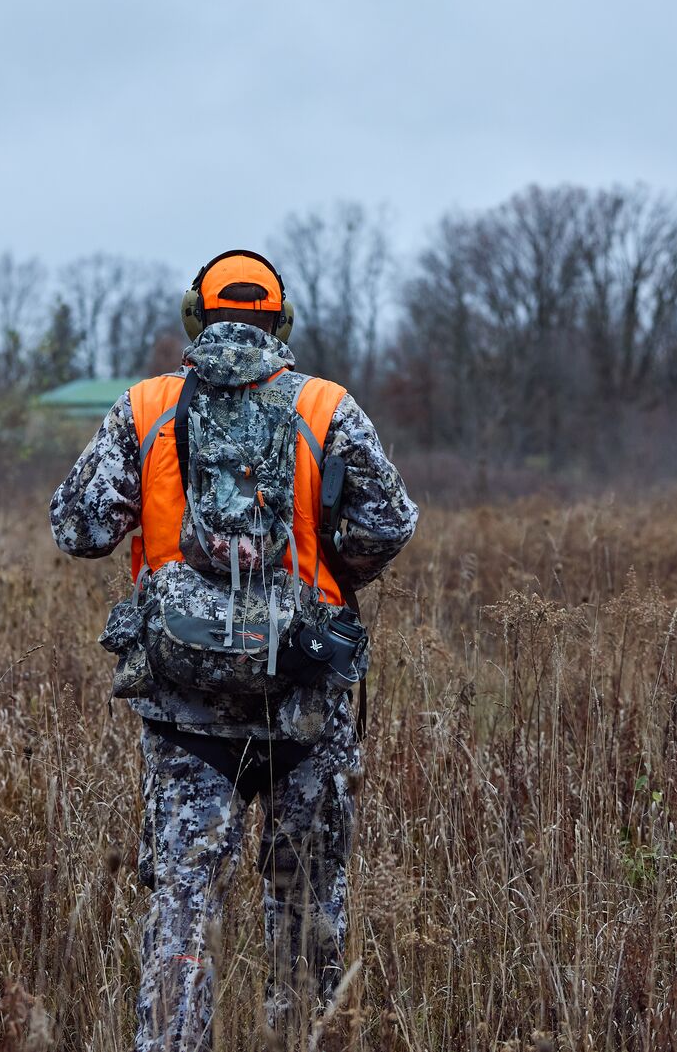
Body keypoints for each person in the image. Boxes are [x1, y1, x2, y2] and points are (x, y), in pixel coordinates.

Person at [51, 249, 418, 1049]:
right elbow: (390, 523)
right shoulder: (328, 407)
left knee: (182, 915)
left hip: (184, 710)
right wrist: (321, 577)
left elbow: (77, 528)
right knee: (307, 915)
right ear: (280, 322)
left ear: (196, 317)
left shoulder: (144, 407)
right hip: (307, 705)